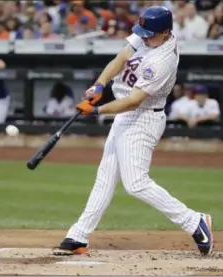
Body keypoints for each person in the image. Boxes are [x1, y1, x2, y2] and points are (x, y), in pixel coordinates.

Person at [52, 6, 213, 257]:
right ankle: (78, 235)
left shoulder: (163, 61)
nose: (144, 37)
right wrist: (99, 84)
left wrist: (96, 111)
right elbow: (121, 58)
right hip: (124, 115)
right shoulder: (149, 33)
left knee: (136, 183)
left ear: (166, 32)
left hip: (143, 118)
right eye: (143, 32)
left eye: (149, 34)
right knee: (105, 178)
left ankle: (194, 221)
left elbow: (133, 101)